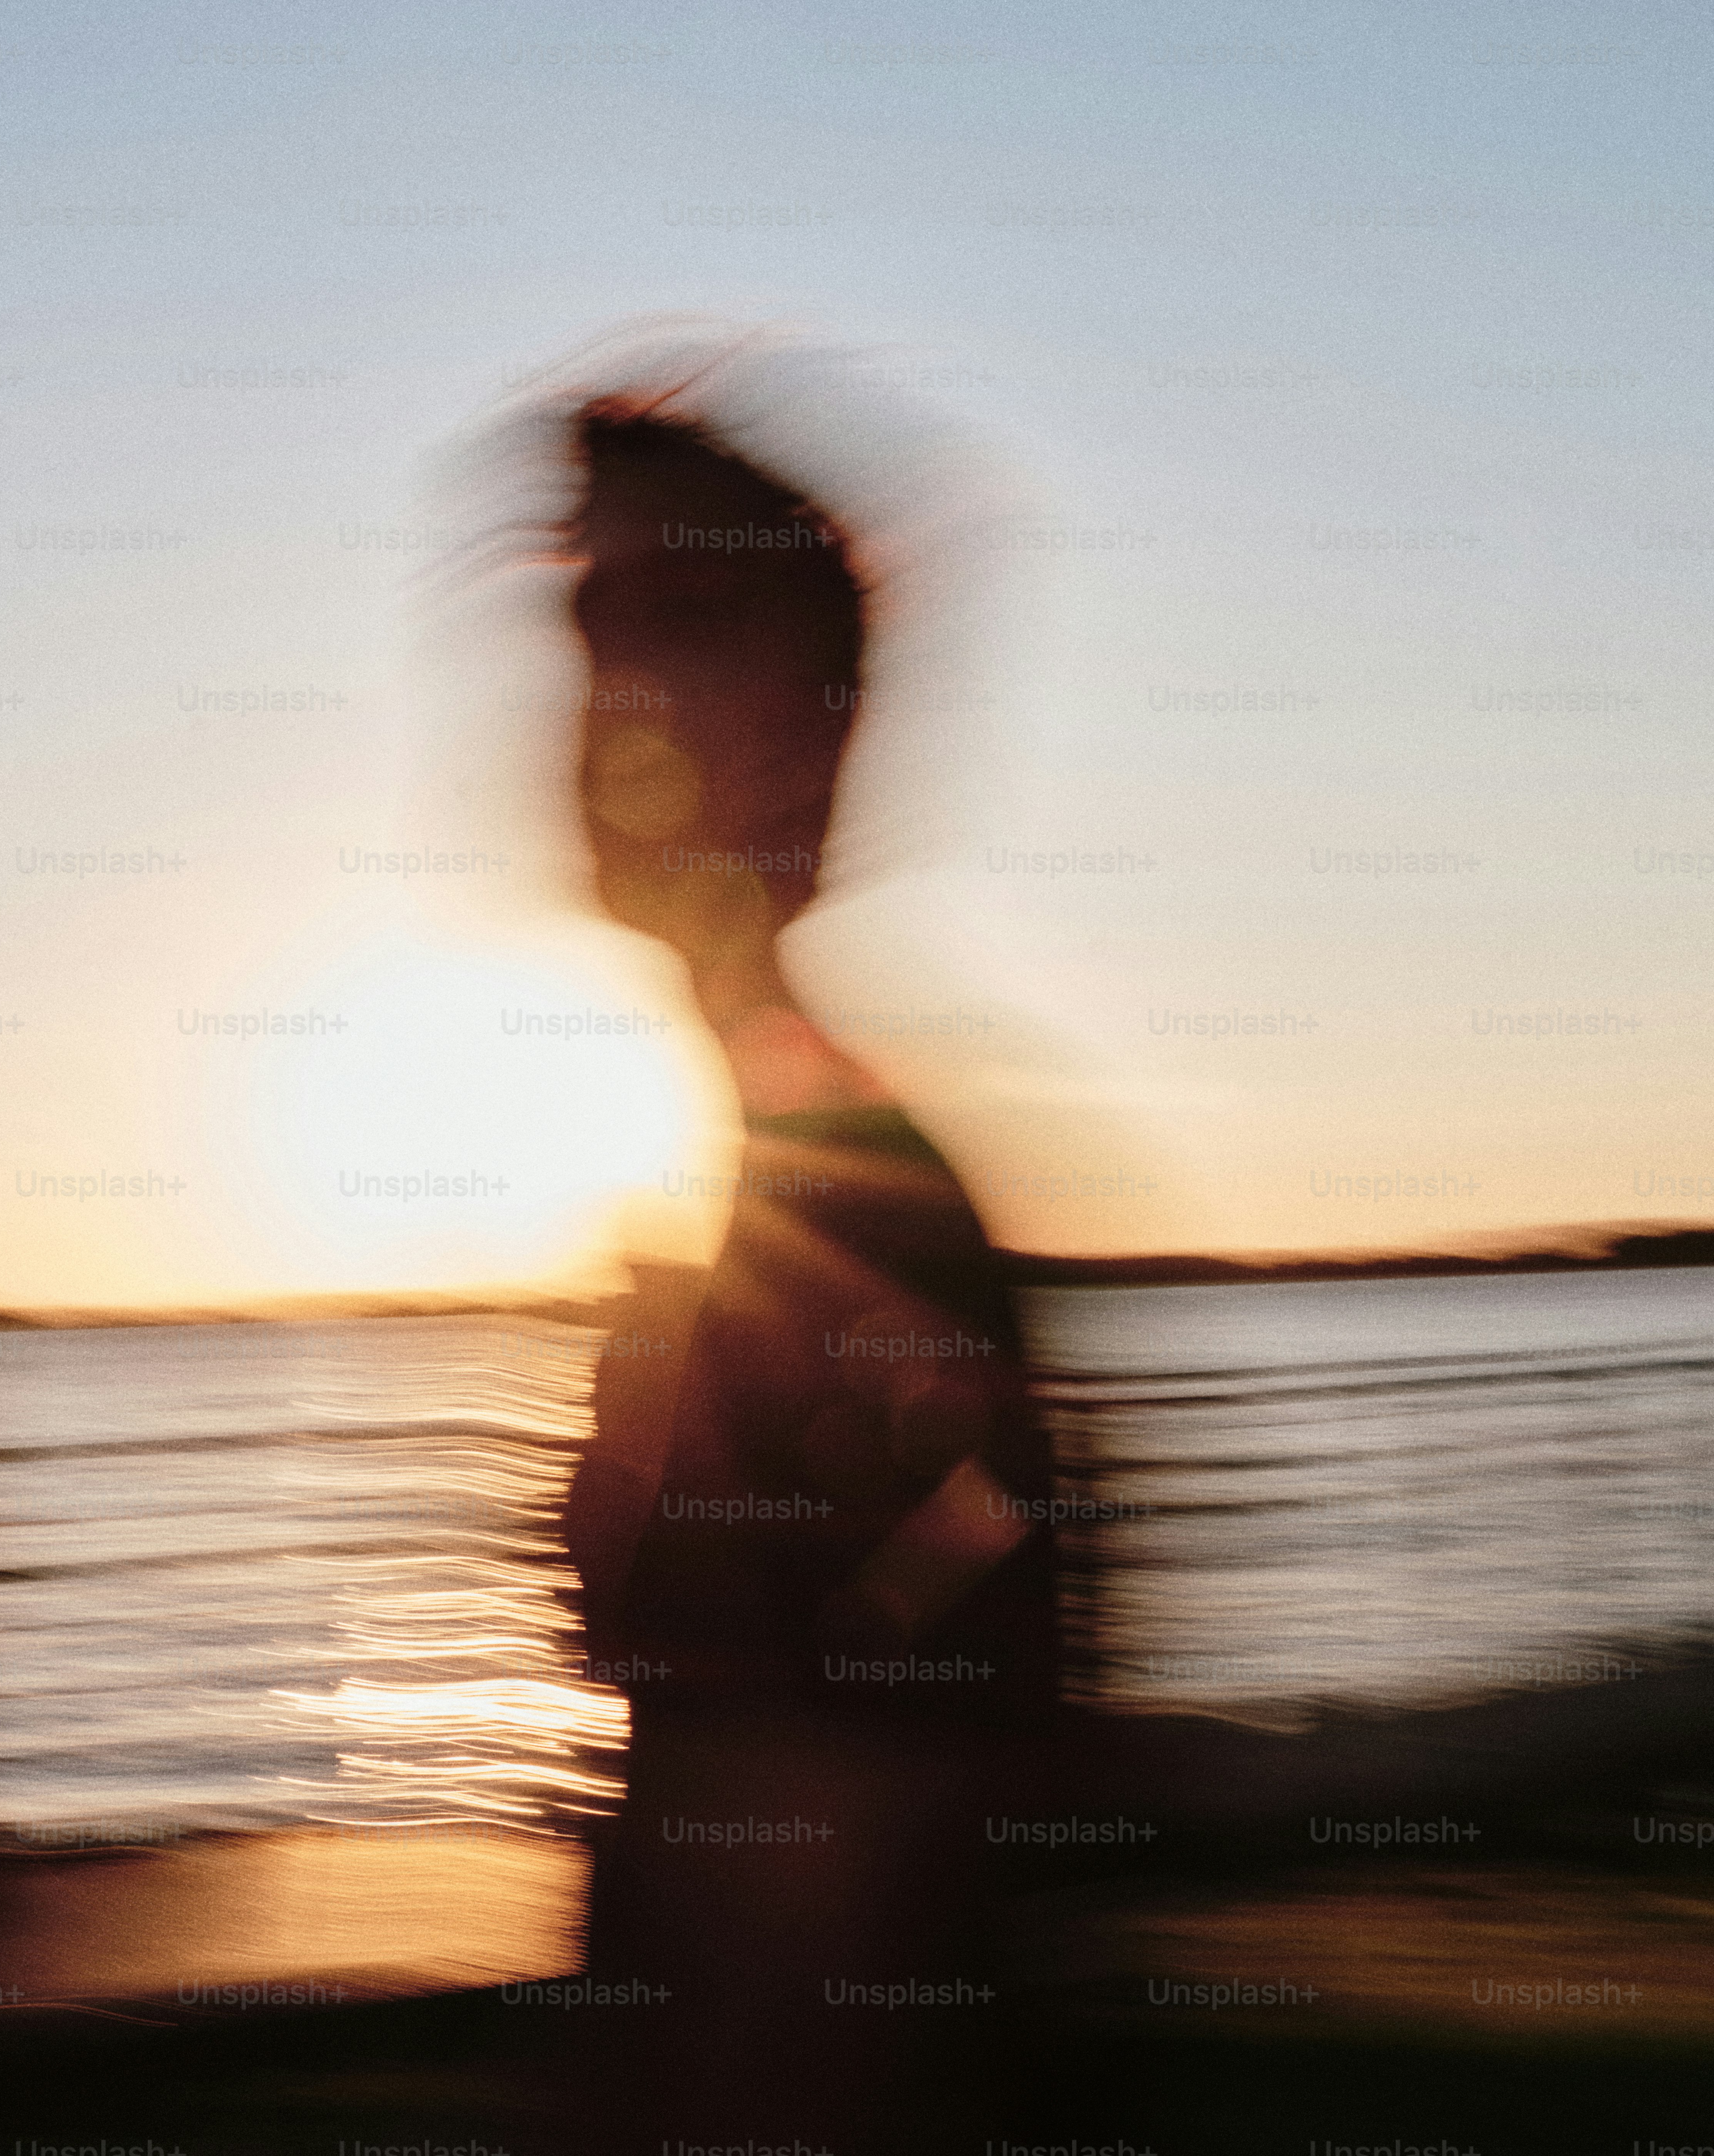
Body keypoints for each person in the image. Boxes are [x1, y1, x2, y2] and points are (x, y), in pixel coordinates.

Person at [549, 380, 1059, 2150]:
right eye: (578, 620)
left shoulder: (853, 1205)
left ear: (813, 734)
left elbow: (854, 1836)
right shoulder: (751, 1191)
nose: (592, 699)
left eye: (665, 623)